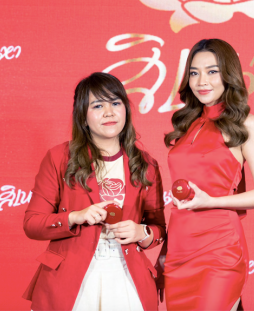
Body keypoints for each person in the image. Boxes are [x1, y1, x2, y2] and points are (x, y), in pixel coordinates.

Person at [22, 72, 166, 311]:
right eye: (98, 105)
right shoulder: (59, 158)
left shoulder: (145, 164)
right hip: (69, 279)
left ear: (126, 110)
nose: (109, 112)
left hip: (127, 276)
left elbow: (158, 229)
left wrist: (141, 231)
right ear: (83, 116)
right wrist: (75, 217)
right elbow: (32, 224)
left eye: (115, 103)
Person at [163, 38, 254, 310]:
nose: (202, 81)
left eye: (212, 71)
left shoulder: (245, 124)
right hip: (179, 249)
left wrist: (211, 201)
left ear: (228, 74)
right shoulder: (187, 124)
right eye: (194, 73)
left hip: (219, 248)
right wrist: (165, 251)